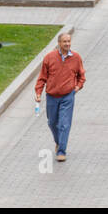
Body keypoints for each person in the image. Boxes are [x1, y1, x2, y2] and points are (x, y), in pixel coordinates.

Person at [35, 31, 85, 162]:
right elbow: (42, 77)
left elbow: (81, 76)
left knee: (64, 124)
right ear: (59, 43)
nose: (67, 44)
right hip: (52, 96)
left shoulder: (76, 57)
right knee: (52, 123)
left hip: (68, 96)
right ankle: (58, 141)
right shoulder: (49, 57)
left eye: (69, 41)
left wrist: (78, 87)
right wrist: (38, 93)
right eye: (65, 41)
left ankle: (62, 151)